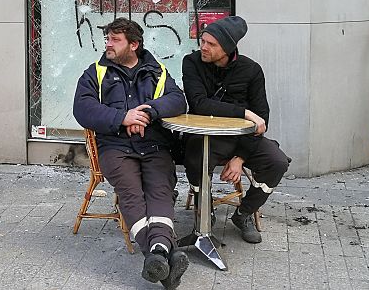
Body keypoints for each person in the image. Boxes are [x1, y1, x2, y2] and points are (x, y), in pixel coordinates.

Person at [73, 18, 189, 289]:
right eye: (107, 39)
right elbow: (83, 109)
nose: (108, 45)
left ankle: (156, 256)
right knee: (131, 193)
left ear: (133, 45)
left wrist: (148, 112)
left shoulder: (156, 72)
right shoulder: (95, 73)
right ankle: (161, 254)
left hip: (154, 146)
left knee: (160, 190)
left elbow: (177, 99)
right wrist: (123, 117)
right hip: (115, 148)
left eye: (115, 40)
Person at [181, 15, 289, 244]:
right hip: (205, 136)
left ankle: (244, 214)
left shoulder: (251, 70)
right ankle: (205, 211)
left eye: (212, 44)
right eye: (203, 41)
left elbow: (262, 118)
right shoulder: (192, 63)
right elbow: (199, 104)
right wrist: (243, 113)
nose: (204, 47)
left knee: (276, 162)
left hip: (243, 140)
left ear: (228, 48)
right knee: (196, 159)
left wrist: (240, 157)